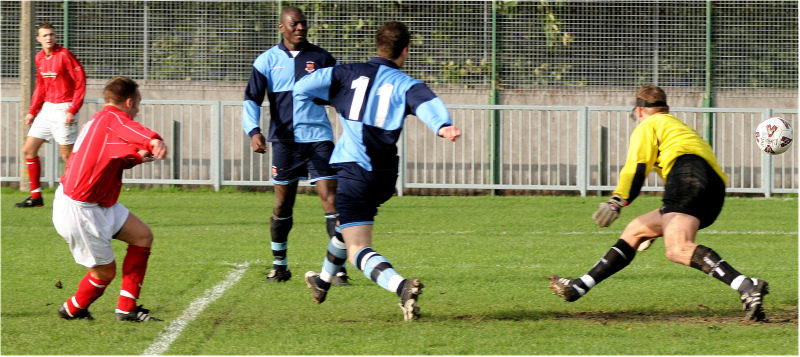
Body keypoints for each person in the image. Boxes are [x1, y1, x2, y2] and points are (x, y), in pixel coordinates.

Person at [549, 84, 769, 321]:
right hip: (713, 187)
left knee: (677, 248)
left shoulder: (648, 125)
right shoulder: (679, 127)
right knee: (636, 230)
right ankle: (578, 287)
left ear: (640, 110)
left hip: (687, 177)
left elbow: (636, 167)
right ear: (667, 108)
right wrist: (657, 229)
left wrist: (617, 201)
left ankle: (746, 285)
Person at [295, 21, 462, 321]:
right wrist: (442, 126)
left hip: (354, 172)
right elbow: (427, 103)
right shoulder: (406, 83)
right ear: (405, 51)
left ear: (377, 44)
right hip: (384, 177)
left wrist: (331, 96)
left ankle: (401, 287)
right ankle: (321, 282)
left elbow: (304, 86)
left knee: (358, 247)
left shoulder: (346, 73)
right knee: (346, 227)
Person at [242, 6, 349, 284]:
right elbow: (251, 99)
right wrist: (253, 131)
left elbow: (340, 96)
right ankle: (280, 265)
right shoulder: (266, 60)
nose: (301, 28)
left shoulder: (322, 58)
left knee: (332, 201)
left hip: (319, 140)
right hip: (285, 142)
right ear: (282, 27)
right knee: (282, 205)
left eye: (303, 24)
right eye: (295, 24)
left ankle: (336, 268)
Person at [53, 76, 167, 322]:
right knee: (105, 273)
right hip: (80, 210)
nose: (137, 110)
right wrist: (153, 139)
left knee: (142, 235)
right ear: (128, 102)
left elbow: (109, 159)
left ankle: (127, 309)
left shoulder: (98, 121)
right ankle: (72, 309)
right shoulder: (113, 120)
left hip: (97, 203)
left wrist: (137, 156)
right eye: (137, 104)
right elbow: (131, 129)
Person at [16, 22, 86, 208]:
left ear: (55, 36)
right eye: (45, 35)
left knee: (68, 157)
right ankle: (36, 196)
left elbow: (80, 81)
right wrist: (33, 111)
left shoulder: (64, 55)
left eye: (51, 35)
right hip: (47, 108)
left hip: (64, 108)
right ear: (38, 38)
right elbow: (41, 85)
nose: (49, 38)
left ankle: (81, 195)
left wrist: (73, 109)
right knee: (29, 149)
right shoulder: (39, 57)